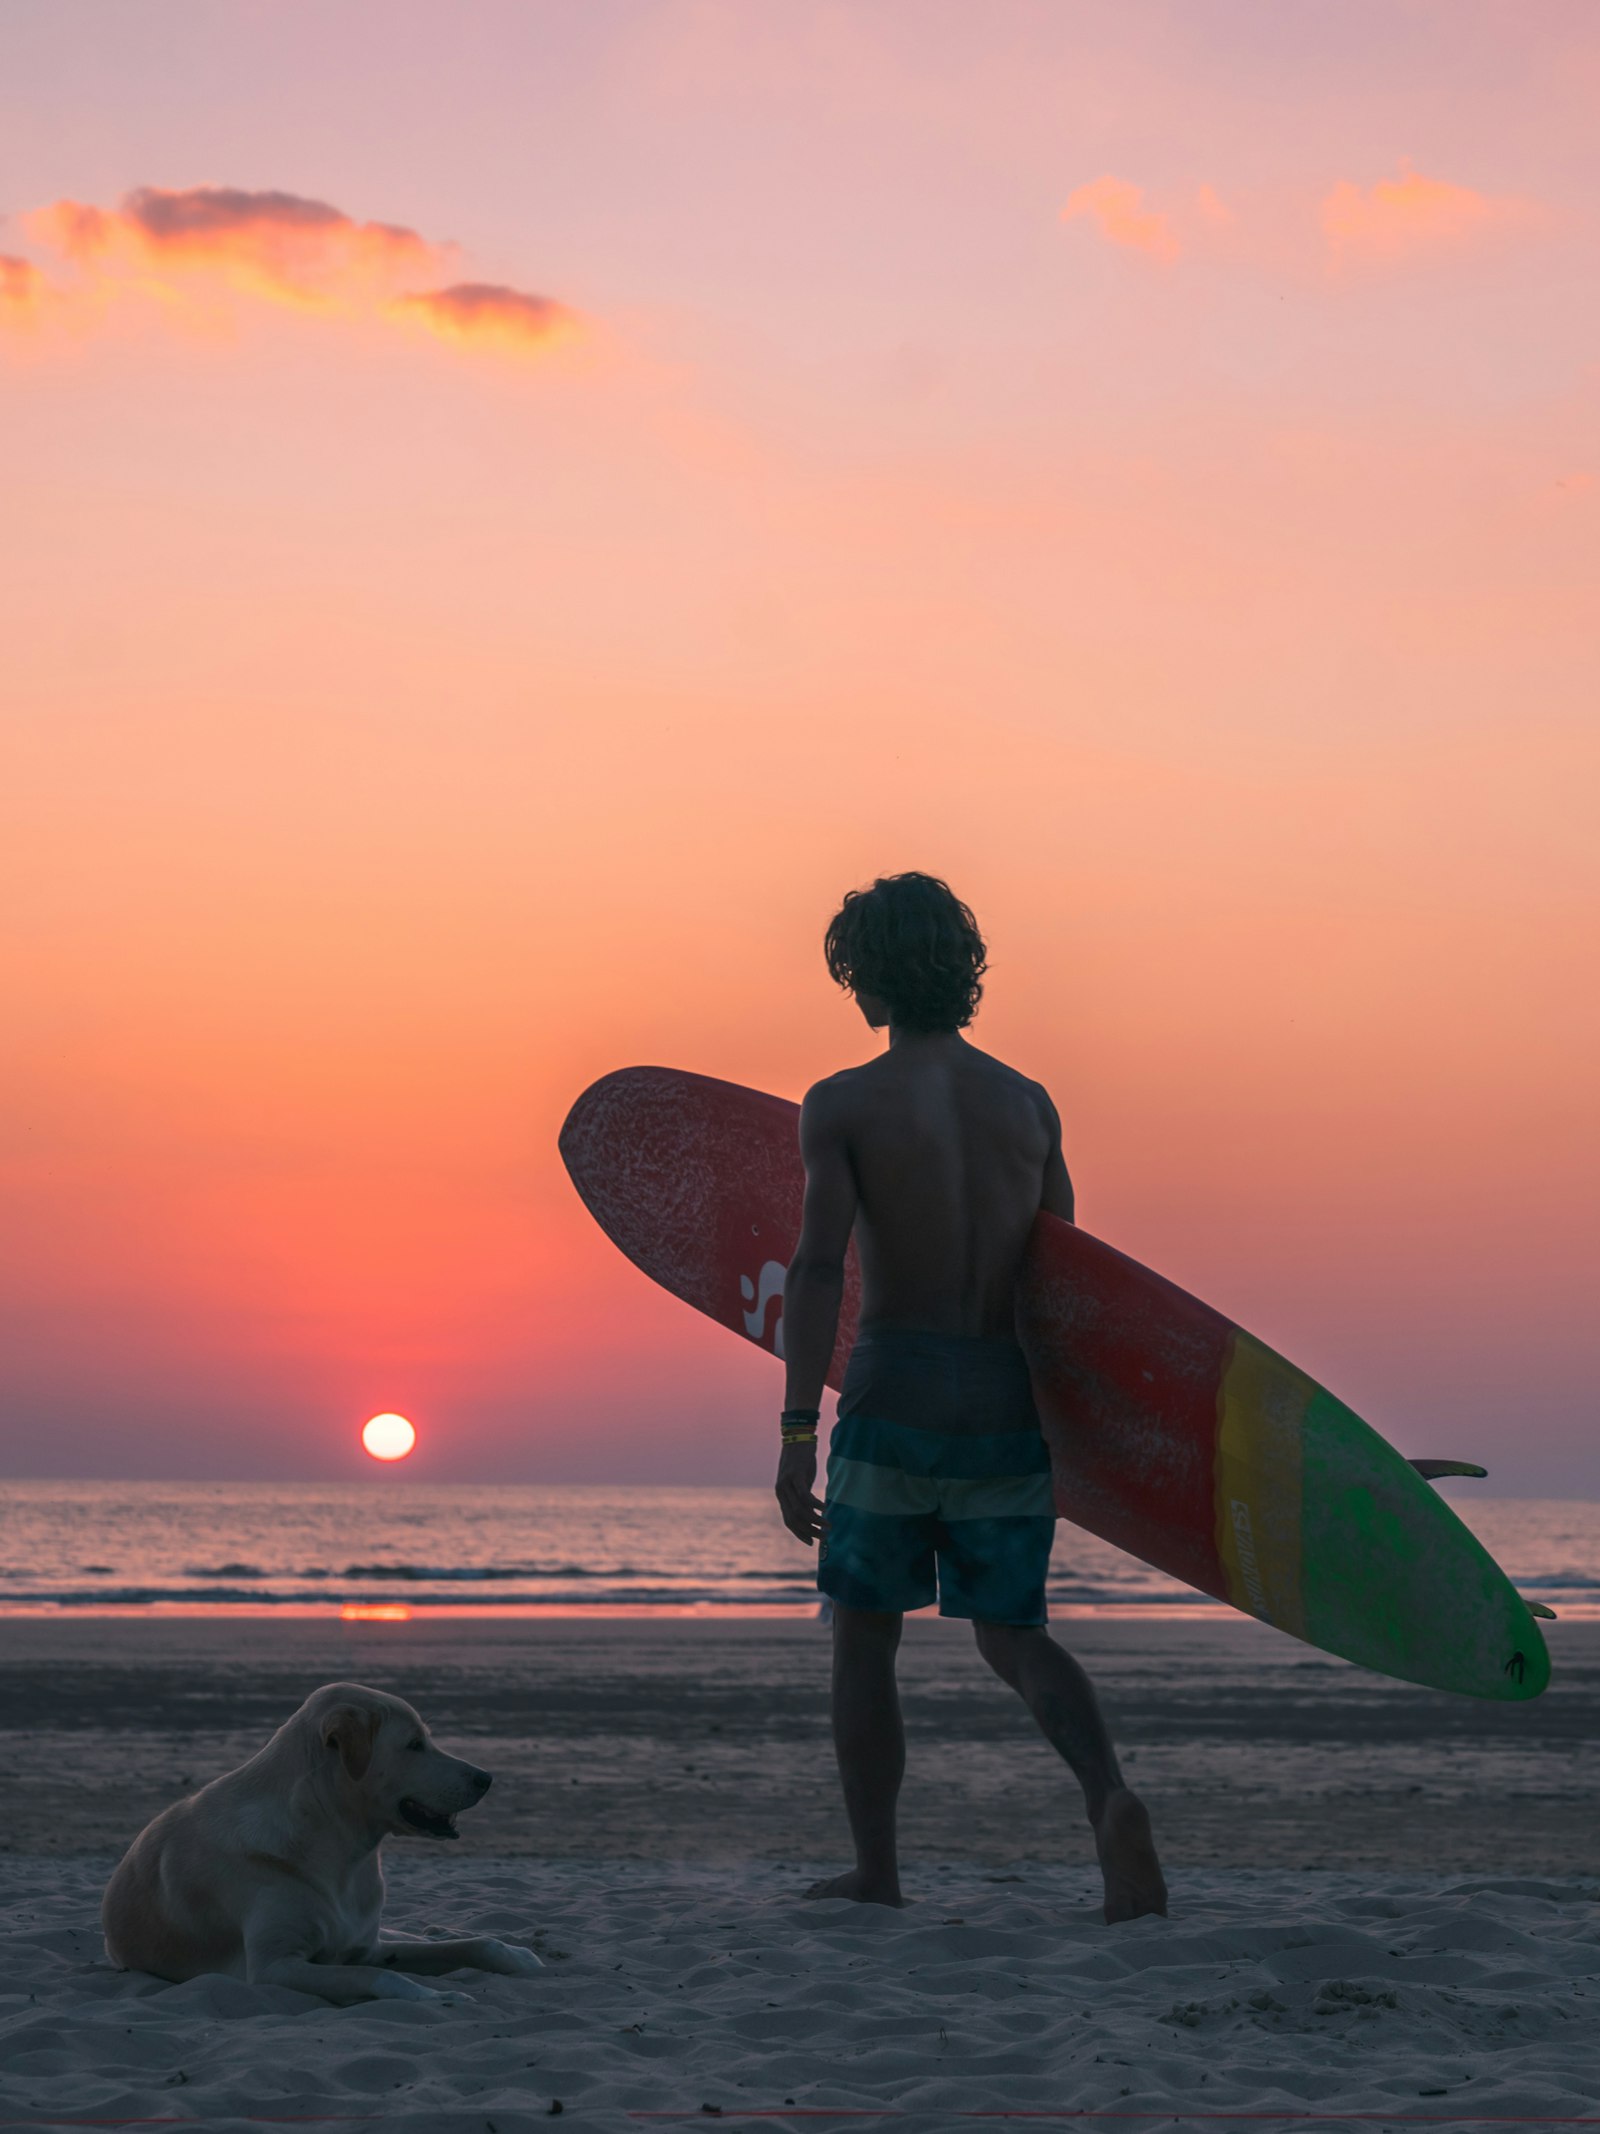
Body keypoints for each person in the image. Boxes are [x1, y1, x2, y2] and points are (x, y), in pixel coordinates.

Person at [773, 872, 1167, 1923]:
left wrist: (794, 1430)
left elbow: (816, 1271)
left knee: (865, 1635)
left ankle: (878, 1871)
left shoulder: (843, 1103)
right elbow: (1064, 1282)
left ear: (867, 977)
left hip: (893, 1387)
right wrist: (1084, 1431)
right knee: (1014, 1634)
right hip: (1001, 1397)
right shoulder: (1027, 1103)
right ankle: (1109, 1797)